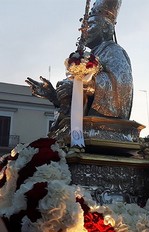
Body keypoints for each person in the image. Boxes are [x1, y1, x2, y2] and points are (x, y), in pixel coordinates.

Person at [25, 0, 133, 135]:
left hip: (103, 131)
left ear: (105, 27)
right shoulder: (92, 55)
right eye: (84, 26)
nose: (84, 30)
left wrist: (83, 85)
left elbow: (122, 87)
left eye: (91, 25)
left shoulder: (113, 51)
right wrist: (54, 95)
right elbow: (81, 103)